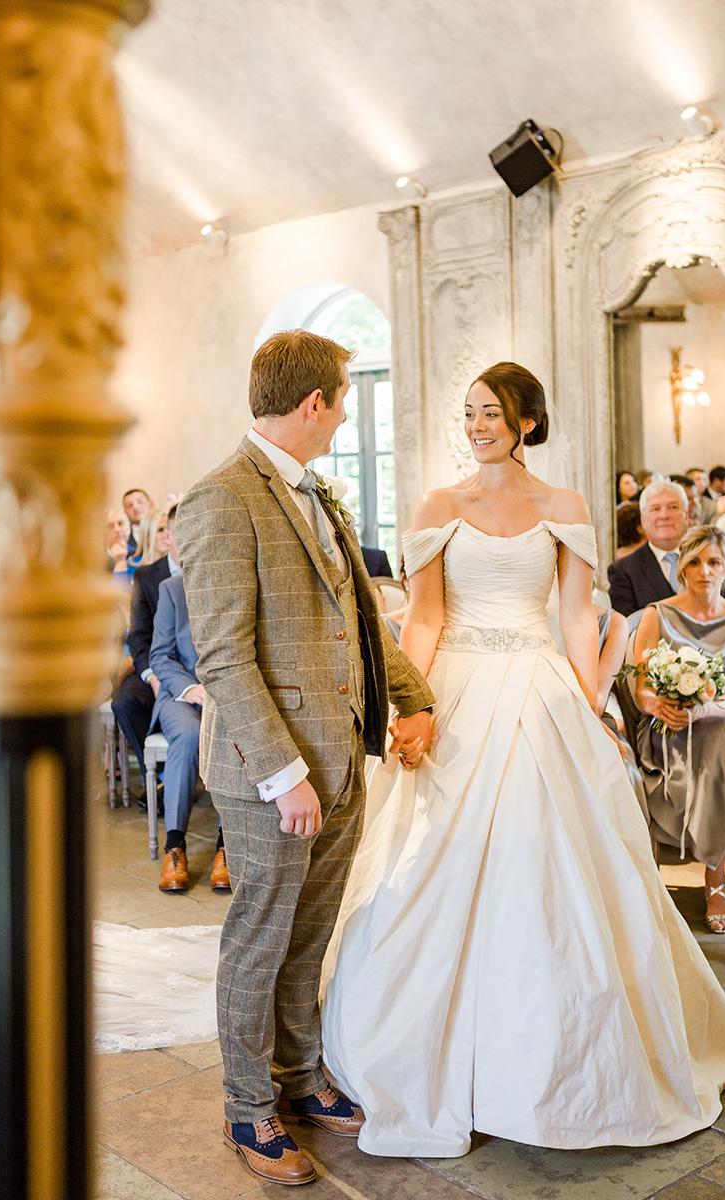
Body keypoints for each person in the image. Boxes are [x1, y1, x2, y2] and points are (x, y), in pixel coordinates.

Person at [319, 361, 725, 1158]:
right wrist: (410, 706)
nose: (476, 427)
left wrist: (591, 704)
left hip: (540, 687)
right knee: (433, 859)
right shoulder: (440, 506)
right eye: (468, 412)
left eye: (492, 414)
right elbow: (425, 620)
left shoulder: (564, 508)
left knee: (553, 862)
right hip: (458, 687)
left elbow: (577, 619)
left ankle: (555, 1060)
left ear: (526, 424)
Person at [176, 329, 434, 1187]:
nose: (345, 415)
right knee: (261, 935)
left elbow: (362, 618)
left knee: (308, 933)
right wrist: (284, 775)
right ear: (315, 402)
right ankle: (248, 1110)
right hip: (268, 773)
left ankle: (298, 1075)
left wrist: (412, 695)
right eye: (344, 399)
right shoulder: (219, 498)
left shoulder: (318, 492)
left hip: (342, 752)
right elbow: (221, 656)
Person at [634, 525, 725, 932]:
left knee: (720, 736)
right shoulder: (657, 615)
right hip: (667, 731)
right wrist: (662, 706)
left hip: (719, 724)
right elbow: (642, 690)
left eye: (714, 562)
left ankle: (716, 878)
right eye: (695, 562)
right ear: (682, 569)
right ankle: (717, 883)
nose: (705, 571)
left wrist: (705, 710)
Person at [148, 573, 228, 893]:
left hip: (225, 694)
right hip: (180, 695)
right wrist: (190, 689)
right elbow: (159, 655)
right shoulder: (171, 589)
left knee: (229, 733)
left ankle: (226, 847)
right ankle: (175, 847)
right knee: (190, 735)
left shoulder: (236, 581)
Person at [111, 506, 177, 794]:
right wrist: (152, 675)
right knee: (124, 702)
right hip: (153, 661)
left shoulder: (202, 565)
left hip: (191, 666)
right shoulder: (147, 575)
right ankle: (161, 778)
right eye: (161, 530)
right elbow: (139, 636)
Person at [607, 480, 689, 618]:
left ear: (686, 516)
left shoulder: (710, 560)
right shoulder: (623, 571)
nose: (664, 515)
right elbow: (629, 627)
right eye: (655, 509)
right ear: (643, 519)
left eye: (673, 507)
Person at [122, 487, 153, 556]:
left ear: (151, 504)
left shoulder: (166, 528)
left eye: (140, 502)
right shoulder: (122, 536)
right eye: (129, 505)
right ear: (125, 512)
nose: (135, 507)